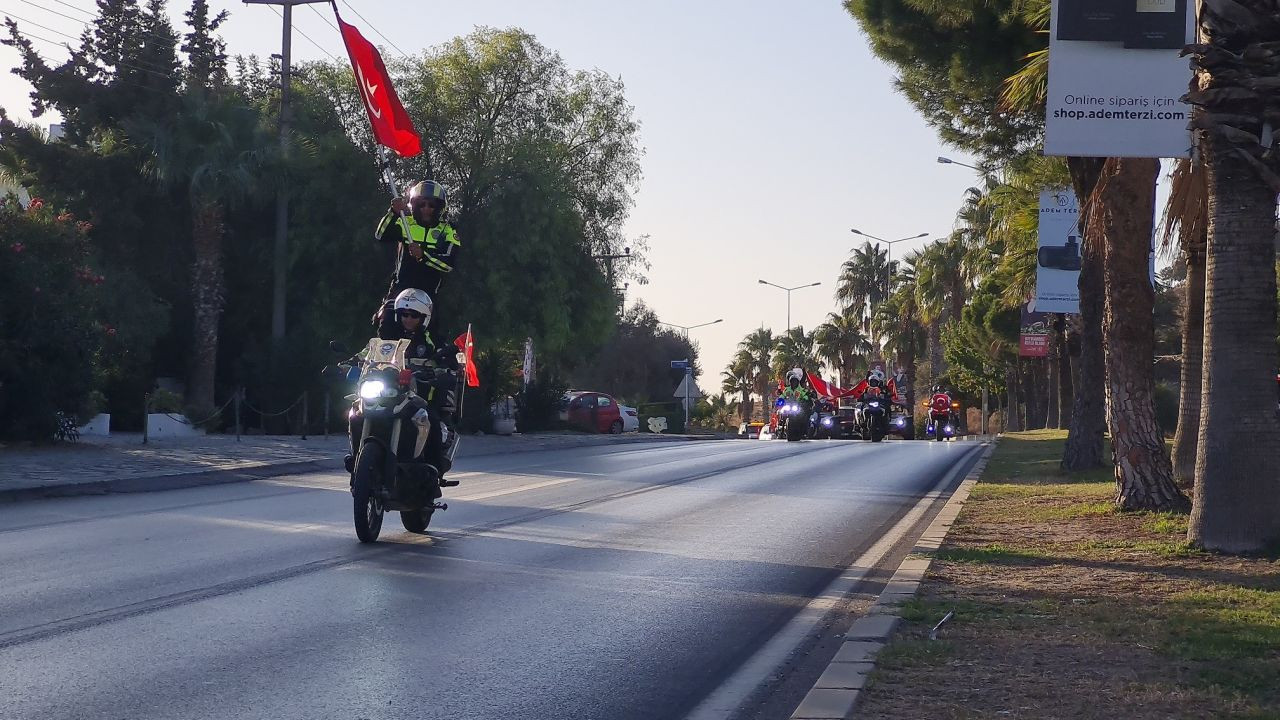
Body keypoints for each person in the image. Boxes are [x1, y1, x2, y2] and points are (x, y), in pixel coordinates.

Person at [347, 289, 460, 481]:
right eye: (404, 314)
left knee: (430, 419)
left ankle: (433, 471)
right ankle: (358, 458)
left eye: (414, 315)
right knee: (356, 412)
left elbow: (448, 360)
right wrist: (348, 363)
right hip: (387, 393)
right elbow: (366, 354)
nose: (408, 319)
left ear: (424, 317)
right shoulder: (387, 339)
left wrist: (443, 368)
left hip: (417, 395)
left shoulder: (432, 341)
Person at [372, 180, 460, 339]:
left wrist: (424, 255)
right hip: (400, 290)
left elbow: (448, 264)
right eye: (422, 204)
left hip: (428, 294)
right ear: (415, 205)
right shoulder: (406, 223)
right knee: (386, 323)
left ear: (439, 208)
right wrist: (393, 212)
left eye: (431, 205)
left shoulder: (447, 230)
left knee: (431, 337)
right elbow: (380, 235)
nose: (426, 209)